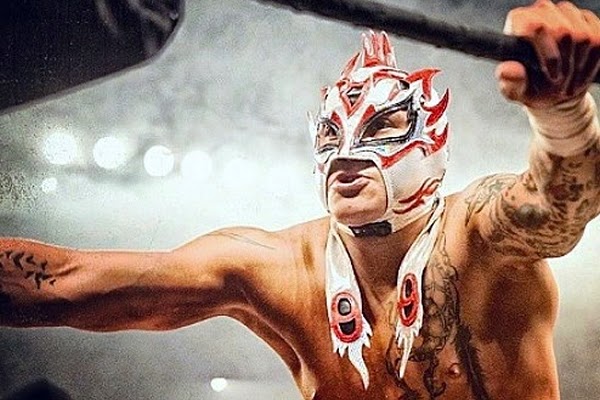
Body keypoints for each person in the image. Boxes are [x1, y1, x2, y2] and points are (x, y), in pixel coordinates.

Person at [1, 1, 599, 398]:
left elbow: (558, 206)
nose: (346, 154)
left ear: (431, 147)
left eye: (381, 129)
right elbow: (67, 285)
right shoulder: (275, 267)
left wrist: (563, 113)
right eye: (331, 135)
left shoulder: (477, 235)